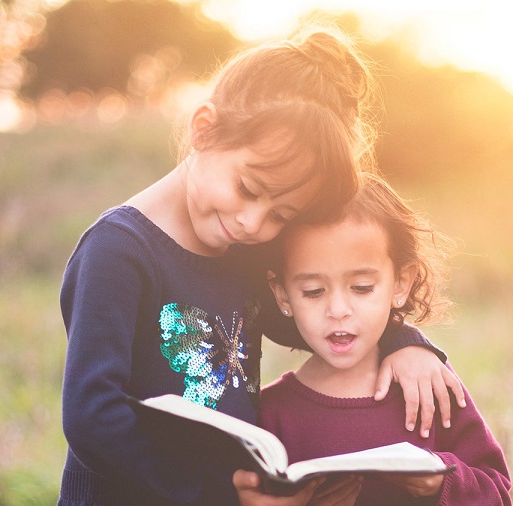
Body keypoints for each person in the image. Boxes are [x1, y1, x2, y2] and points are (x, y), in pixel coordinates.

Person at [58, 26, 464, 506]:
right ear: (203, 128)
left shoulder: (242, 252)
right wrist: (218, 495)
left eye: (282, 215)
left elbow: (315, 323)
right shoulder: (118, 252)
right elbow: (91, 416)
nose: (253, 222)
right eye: (249, 189)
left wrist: (405, 342)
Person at [261, 172, 512, 505]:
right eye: (313, 291)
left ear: (401, 284)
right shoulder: (271, 413)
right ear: (282, 295)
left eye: (362, 288)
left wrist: (440, 479)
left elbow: (496, 492)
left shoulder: (428, 383)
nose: (338, 309)